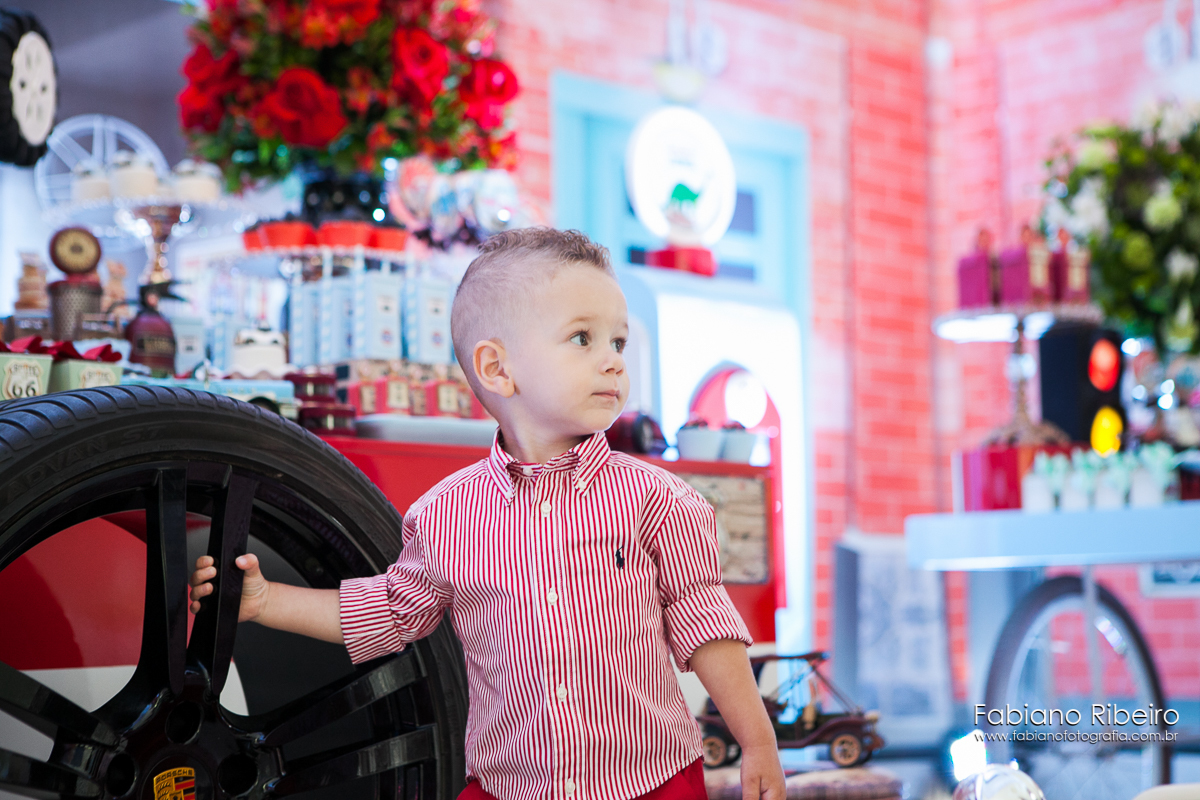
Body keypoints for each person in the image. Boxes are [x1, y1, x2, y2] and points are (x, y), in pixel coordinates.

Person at [190, 228, 787, 800]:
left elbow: (707, 630)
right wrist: (266, 603)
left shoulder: (660, 501)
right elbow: (387, 611)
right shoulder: (444, 517)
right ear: (497, 368)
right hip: (509, 786)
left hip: (651, 782)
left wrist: (759, 743)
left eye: (618, 342)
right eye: (583, 338)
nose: (612, 361)